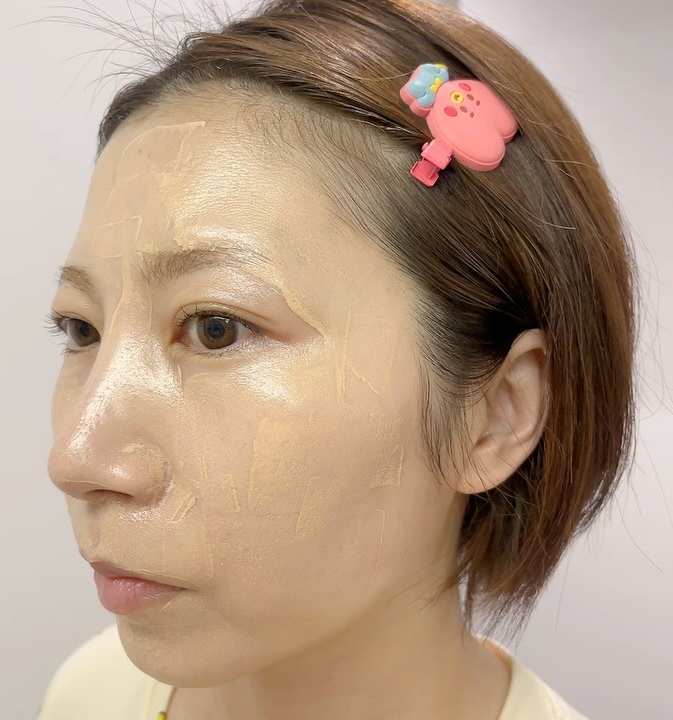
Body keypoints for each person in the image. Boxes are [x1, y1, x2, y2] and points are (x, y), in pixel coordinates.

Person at [37, 0, 637, 718]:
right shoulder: (92, 692)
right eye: (81, 329)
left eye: (217, 328)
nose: (75, 459)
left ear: (493, 416)